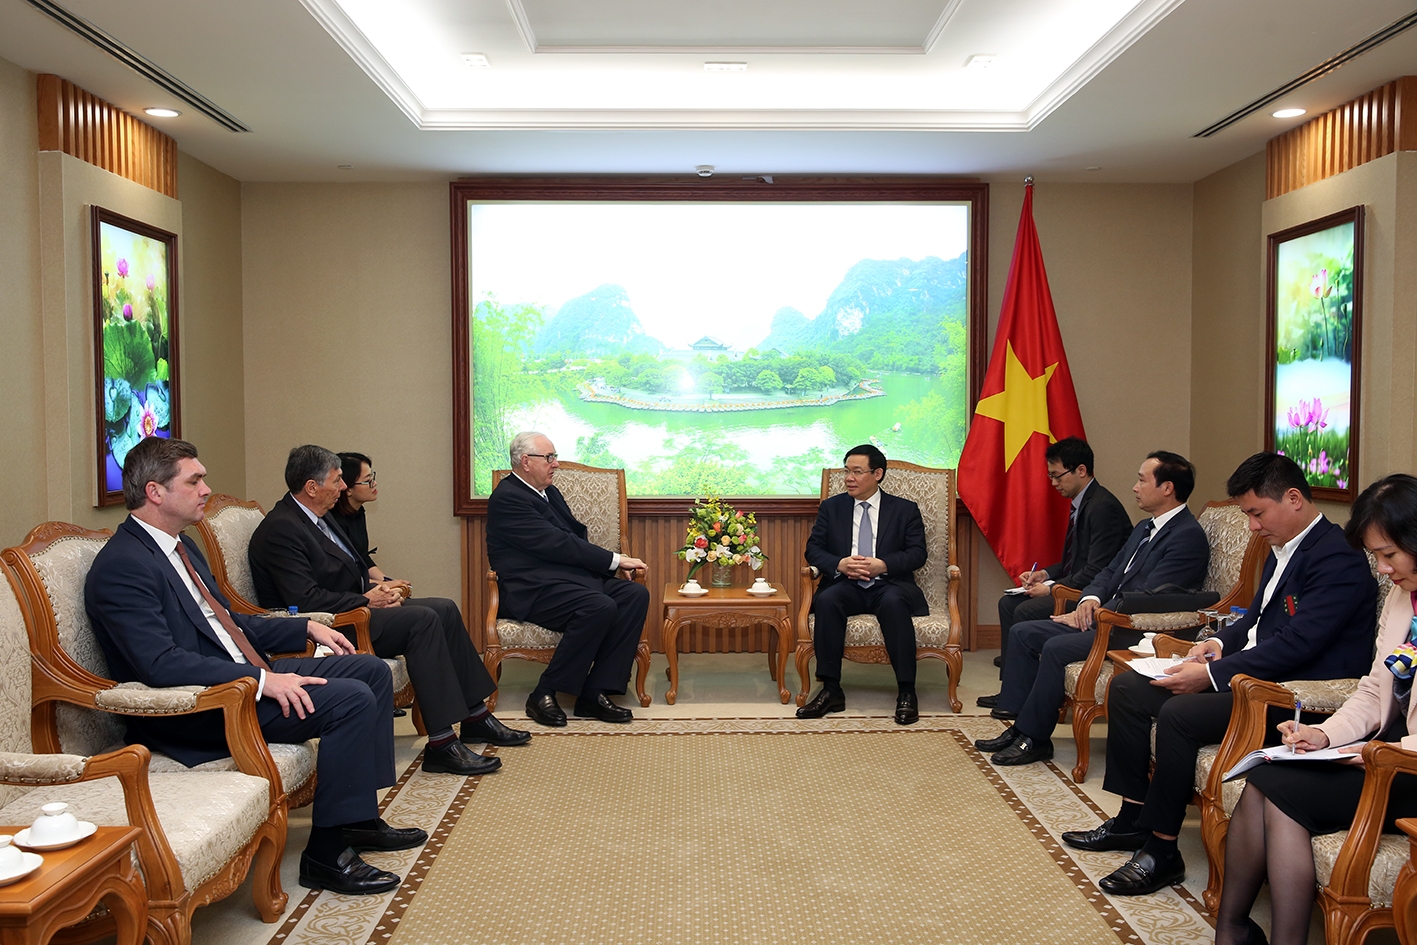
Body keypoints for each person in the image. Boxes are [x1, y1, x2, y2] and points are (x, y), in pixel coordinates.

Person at [85, 437, 425, 896]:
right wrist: (263, 680)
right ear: (155, 492)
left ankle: (358, 820)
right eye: (195, 481)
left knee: (370, 671)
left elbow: (228, 621)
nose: (206, 489)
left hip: (241, 678)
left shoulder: (181, 547)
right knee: (350, 700)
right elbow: (160, 664)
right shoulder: (123, 566)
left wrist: (304, 628)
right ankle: (326, 855)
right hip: (204, 707)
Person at [1063, 452, 1377, 897]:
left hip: (1289, 696)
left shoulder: (1337, 558)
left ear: (1293, 499)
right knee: (1129, 688)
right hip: (1250, 673)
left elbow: (1298, 645)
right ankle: (1132, 819)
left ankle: (1162, 850)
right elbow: (1257, 620)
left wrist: (1212, 675)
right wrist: (1218, 645)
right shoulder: (1283, 545)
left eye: (1257, 513)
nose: (1252, 526)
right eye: (1248, 515)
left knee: (1179, 714)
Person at [1209, 473, 1412, 945]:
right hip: (1381, 750)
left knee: (1283, 796)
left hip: (1406, 762)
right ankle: (1234, 930)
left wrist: (1372, 751)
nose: (1383, 570)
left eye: (1390, 555)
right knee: (1265, 778)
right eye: (1377, 557)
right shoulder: (1404, 597)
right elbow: (1374, 689)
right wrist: (1326, 735)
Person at [248, 445, 529, 778]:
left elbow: (352, 566)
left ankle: (475, 717)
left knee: (444, 608)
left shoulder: (320, 517)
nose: (342, 487)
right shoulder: (282, 528)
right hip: (332, 625)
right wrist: (365, 600)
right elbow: (304, 598)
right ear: (311, 487)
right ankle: (441, 744)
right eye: (337, 481)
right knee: (422, 620)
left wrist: (380, 588)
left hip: (355, 607)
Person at [975, 451, 1210, 765]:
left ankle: (1034, 738)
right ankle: (1019, 727)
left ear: (1167, 488)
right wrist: (1089, 601)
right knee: (1023, 632)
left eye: (1142, 480)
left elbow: (1150, 598)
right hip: (1107, 617)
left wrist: (1097, 614)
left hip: (1134, 631)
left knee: (1055, 647)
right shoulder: (1144, 527)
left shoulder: (1187, 537)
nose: (1135, 487)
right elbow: (1109, 572)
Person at [485, 431, 650, 727]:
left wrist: (611, 566)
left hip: (566, 582)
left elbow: (574, 538)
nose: (556, 464)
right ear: (526, 462)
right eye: (549, 457)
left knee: (634, 595)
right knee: (598, 606)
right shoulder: (509, 498)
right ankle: (543, 692)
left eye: (555, 457)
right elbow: (557, 544)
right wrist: (615, 560)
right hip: (532, 590)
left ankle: (594, 692)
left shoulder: (549, 492)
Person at [979, 437, 1131, 707]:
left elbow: (1097, 569)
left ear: (1081, 470)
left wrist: (1051, 589)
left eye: (1057, 476)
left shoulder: (1102, 507)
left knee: (1024, 611)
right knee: (1008, 603)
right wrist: (1045, 575)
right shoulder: (1083, 502)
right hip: (1078, 584)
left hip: (1093, 595)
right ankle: (1013, 687)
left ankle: (1022, 695)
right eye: (1050, 476)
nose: (1053, 483)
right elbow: (1075, 560)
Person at [798, 444, 929, 725]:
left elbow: (918, 553)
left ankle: (907, 691)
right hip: (847, 584)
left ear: (877, 474)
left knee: (894, 603)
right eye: (847, 471)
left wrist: (884, 564)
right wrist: (839, 564)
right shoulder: (832, 508)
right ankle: (831, 690)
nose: (849, 478)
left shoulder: (904, 510)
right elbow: (814, 549)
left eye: (857, 472)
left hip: (889, 584)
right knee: (827, 600)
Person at [329, 451, 395, 583]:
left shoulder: (358, 512)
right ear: (347, 488)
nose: (374, 484)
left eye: (372, 477)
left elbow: (362, 557)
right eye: (367, 481)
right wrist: (385, 585)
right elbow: (344, 574)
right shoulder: (332, 521)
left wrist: (388, 581)